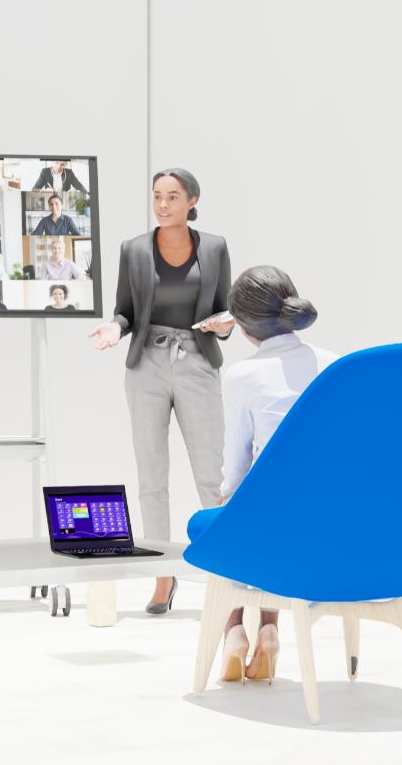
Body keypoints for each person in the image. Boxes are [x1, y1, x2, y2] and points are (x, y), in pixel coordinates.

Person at [87, 168, 233, 615]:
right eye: (157, 196)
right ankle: (162, 577)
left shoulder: (214, 246)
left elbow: (224, 308)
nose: (163, 204)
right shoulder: (132, 250)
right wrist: (115, 327)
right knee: (152, 479)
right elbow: (124, 309)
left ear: (192, 201)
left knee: (213, 476)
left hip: (196, 360)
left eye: (172, 196)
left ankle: (225, 573)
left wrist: (225, 325)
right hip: (146, 363)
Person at [196, 265, 333, 683]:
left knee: (226, 517)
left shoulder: (243, 375)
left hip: (270, 520)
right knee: (272, 511)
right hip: (328, 519)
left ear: (243, 327)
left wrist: (223, 499)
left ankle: (234, 631)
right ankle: (270, 631)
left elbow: (236, 468)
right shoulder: (334, 363)